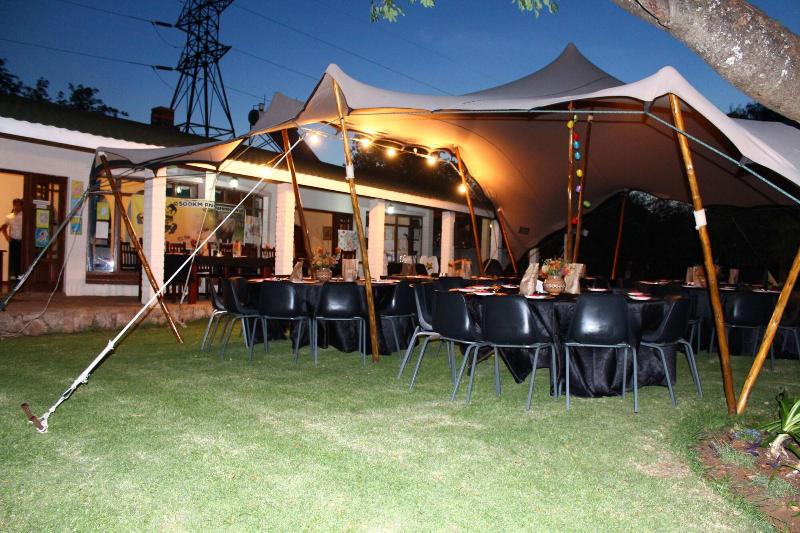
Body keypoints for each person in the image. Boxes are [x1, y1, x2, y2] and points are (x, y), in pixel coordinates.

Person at [1, 198, 23, 281]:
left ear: (21, 206)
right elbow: (3, 228)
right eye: (15, 205)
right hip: (13, 241)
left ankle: (22, 279)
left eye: (19, 205)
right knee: (15, 261)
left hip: (23, 242)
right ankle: (17, 279)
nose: (17, 207)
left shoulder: (24, 216)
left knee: (22, 260)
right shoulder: (9, 217)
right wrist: (7, 236)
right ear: (13, 205)